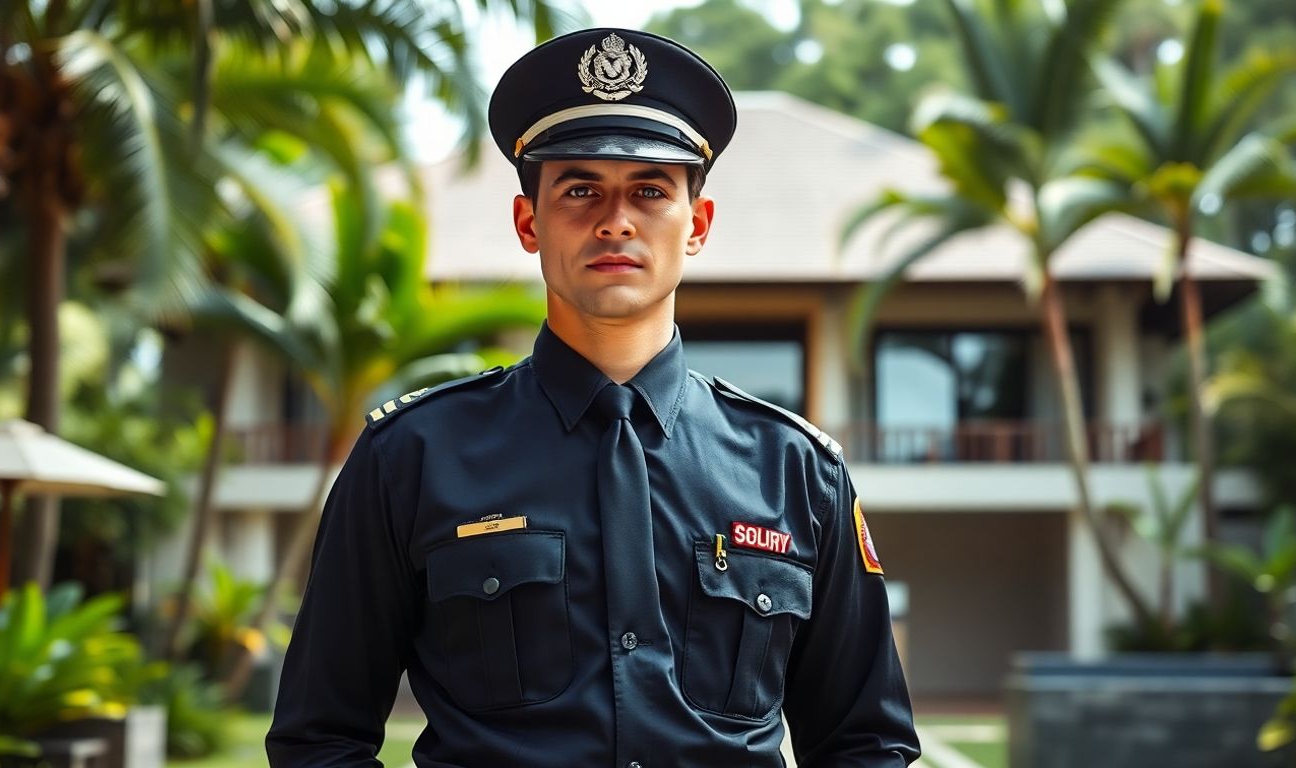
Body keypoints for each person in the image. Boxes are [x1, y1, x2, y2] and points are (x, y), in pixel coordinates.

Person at [266, 27, 919, 767]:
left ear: (696, 226)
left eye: (650, 190)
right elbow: (318, 739)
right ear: (528, 223)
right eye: (579, 189)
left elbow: (866, 743)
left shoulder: (797, 472)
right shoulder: (411, 458)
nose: (616, 219)